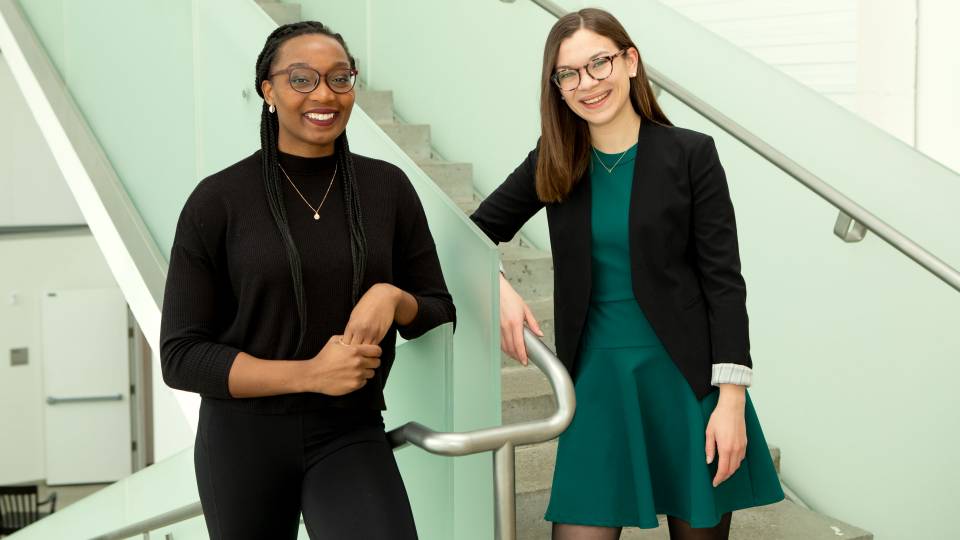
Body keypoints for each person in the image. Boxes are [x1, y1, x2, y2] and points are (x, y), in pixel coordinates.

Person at [470, 8, 783, 540]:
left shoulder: (690, 154)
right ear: (558, 88)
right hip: (596, 381)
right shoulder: (553, 159)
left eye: (600, 63)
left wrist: (731, 400)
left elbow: (724, 281)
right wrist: (494, 286)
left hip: (689, 382)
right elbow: (472, 232)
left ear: (630, 62)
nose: (587, 83)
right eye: (569, 73)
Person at [159, 21, 454, 540]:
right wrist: (312, 374)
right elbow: (181, 356)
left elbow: (437, 304)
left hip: (348, 430)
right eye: (302, 79)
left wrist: (391, 297)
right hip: (241, 441)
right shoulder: (218, 201)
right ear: (268, 90)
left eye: (340, 79)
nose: (324, 94)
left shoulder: (386, 188)